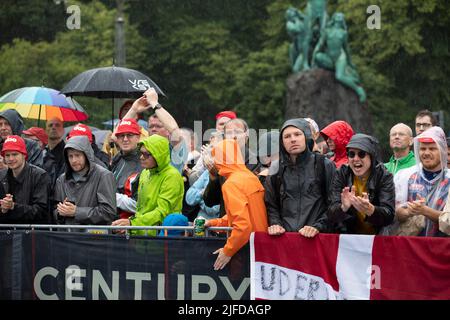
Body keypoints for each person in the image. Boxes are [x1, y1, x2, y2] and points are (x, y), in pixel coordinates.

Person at [265, 119, 335, 237]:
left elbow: (334, 203)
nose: (293, 139)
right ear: (282, 142)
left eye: (297, 134)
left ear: (306, 137)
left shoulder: (323, 164)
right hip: (286, 240)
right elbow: (271, 205)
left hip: (318, 239)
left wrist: (318, 226)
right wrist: (275, 223)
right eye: (287, 136)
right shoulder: (275, 169)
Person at [205, 139, 268, 270]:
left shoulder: (232, 184)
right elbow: (242, 215)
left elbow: (242, 226)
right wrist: (214, 223)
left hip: (248, 251)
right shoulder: (249, 177)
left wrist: (227, 251)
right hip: (261, 246)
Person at [111, 134, 184, 236]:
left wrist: (132, 223)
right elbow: (140, 209)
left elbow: (162, 212)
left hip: (164, 236)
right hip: (141, 233)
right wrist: (129, 223)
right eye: (141, 153)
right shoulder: (145, 173)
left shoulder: (172, 176)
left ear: (159, 155)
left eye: (146, 154)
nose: (141, 157)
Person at [328, 134, 395, 234]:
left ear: (371, 156)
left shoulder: (384, 176)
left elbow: (389, 215)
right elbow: (331, 213)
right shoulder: (341, 173)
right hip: (349, 237)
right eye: (351, 154)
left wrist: (371, 210)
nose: (355, 159)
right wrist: (343, 208)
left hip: (376, 238)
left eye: (361, 154)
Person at [393, 126, 449, 237]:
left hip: (442, 249)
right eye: (423, 149)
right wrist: (407, 212)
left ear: (442, 151)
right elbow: (394, 215)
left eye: (432, 149)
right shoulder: (405, 177)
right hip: (411, 249)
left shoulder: (449, 179)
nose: (426, 153)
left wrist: (424, 210)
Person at [53, 136, 117, 225]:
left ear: (86, 155)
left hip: (93, 236)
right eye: (70, 156)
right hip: (67, 235)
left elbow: (109, 212)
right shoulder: (61, 180)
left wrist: (76, 212)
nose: (74, 160)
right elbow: (54, 211)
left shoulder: (104, 176)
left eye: (77, 155)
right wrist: (60, 212)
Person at [313, 12, 366, 102]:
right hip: (329, 57)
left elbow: (346, 49)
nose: (339, 17)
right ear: (333, 18)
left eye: (341, 16)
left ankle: (358, 89)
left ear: (342, 20)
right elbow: (320, 44)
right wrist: (314, 55)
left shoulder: (343, 33)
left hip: (340, 58)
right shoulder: (327, 31)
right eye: (337, 16)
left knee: (339, 76)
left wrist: (350, 62)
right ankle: (339, 71)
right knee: (318, 57)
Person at [0, 135, 50, 224]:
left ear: (24, 155)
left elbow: (41, 212)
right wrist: (3, 209)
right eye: (7, 155)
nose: (11, 158)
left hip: (32, 233)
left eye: (15, 154)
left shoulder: (40, 176)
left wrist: (13, 207)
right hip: (6, 233)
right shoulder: (1, 175)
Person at [111, 118, 142, 219]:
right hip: (109, 219)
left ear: (138, 137)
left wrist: (111, 197)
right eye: (121, 135)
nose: (125, 139)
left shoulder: (145, 162)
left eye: (129, 135)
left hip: (129, 225)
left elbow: (141, 206)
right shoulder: (117, 158)